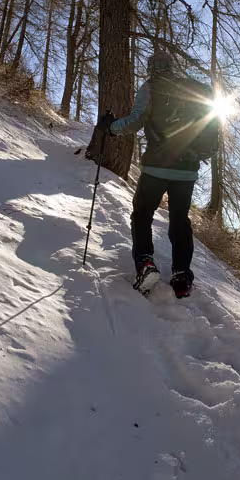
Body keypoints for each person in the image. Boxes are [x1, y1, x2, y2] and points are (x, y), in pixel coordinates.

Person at [89, 51, 205, 298]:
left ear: (152, 68)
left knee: (142, 214)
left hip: (156, 166)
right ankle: (182, 275)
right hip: (187, 170)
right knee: (179, 220)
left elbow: (136, 120)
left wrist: (110, 127)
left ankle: (145, 263)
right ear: (171, 66)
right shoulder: (191, 90)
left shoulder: (151, 87)